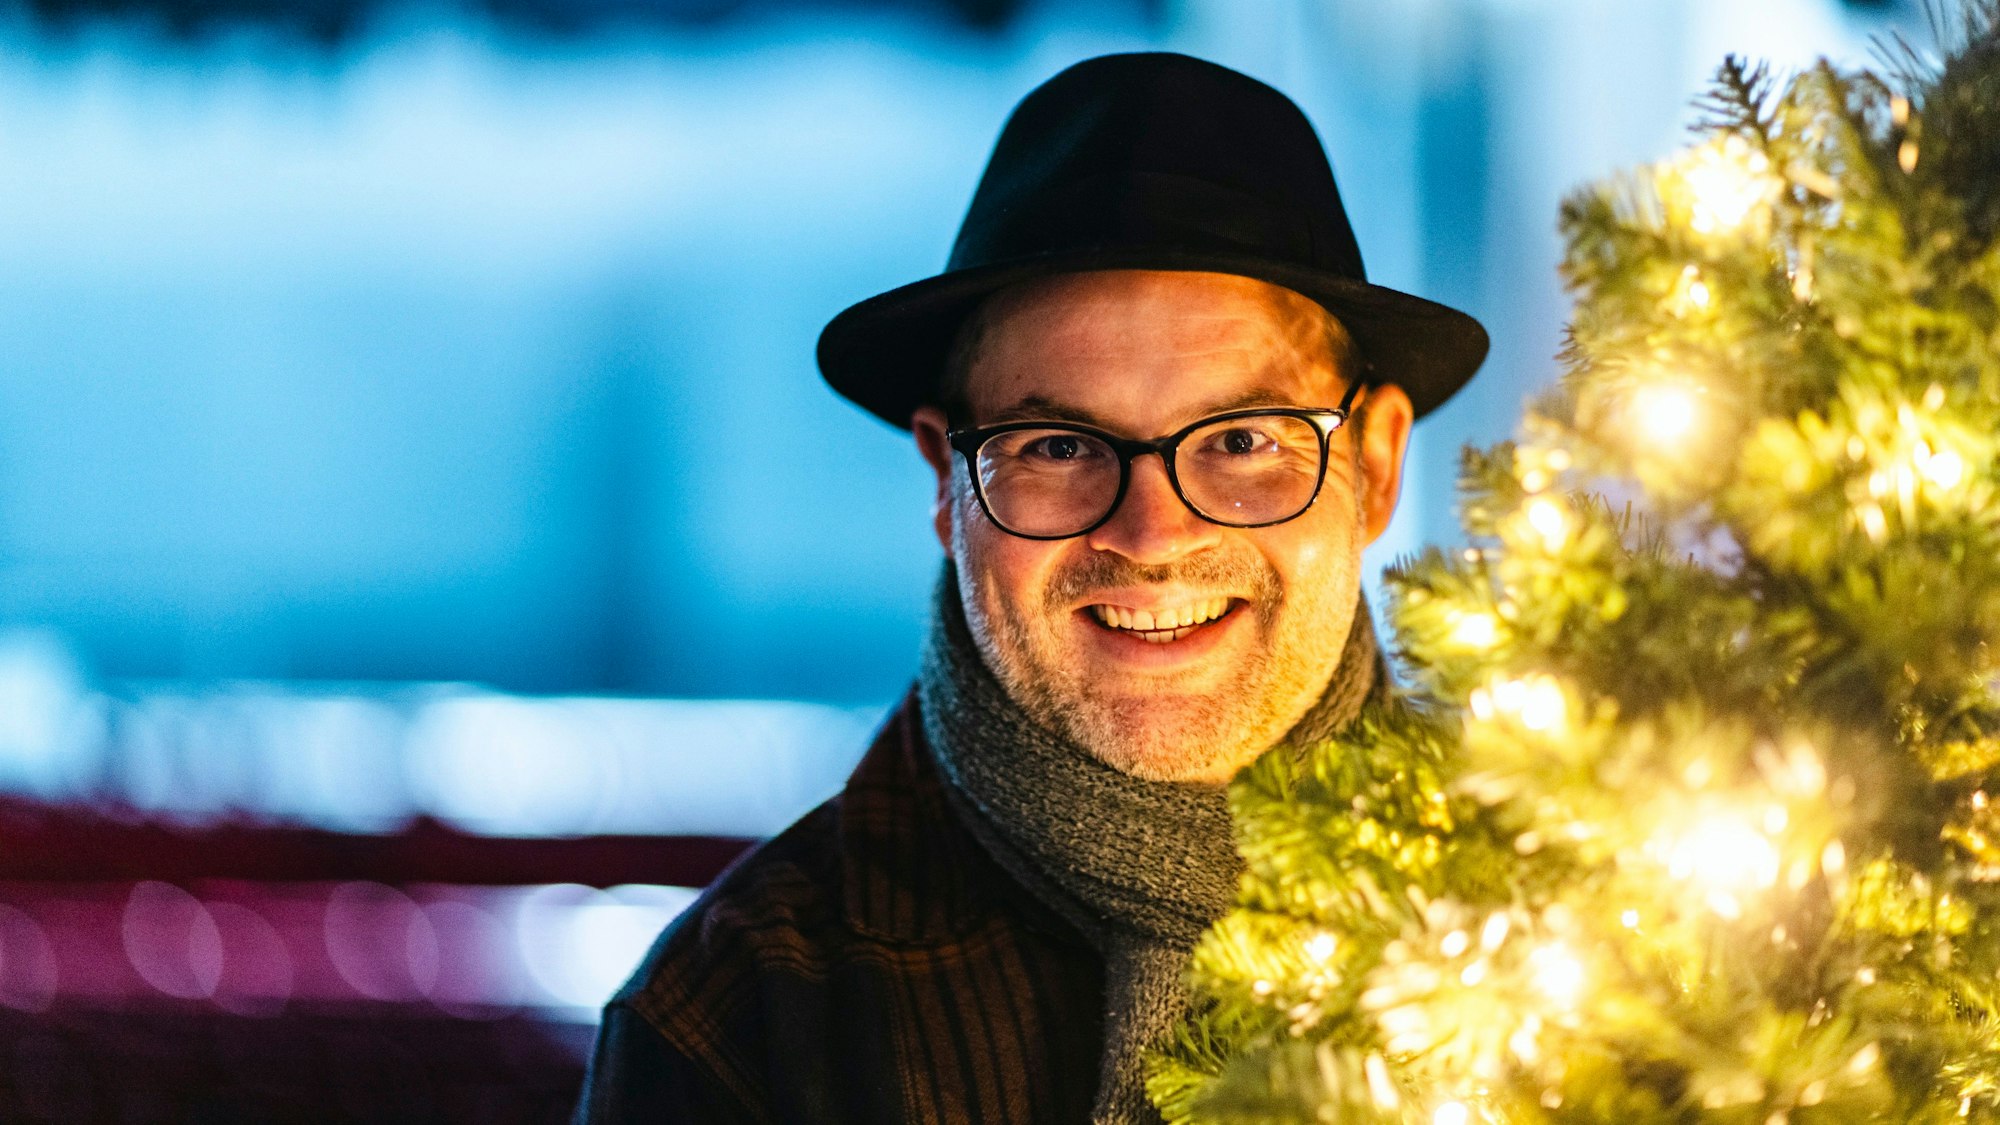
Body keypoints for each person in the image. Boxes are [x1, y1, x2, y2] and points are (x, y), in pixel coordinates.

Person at [574, 51, 1487, 1125]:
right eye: (1055, 446)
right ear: (943, 479)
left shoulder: (1617, 908)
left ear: (1373, 467)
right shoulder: (740, 1016)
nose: (1152, 535)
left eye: (1242, 438)